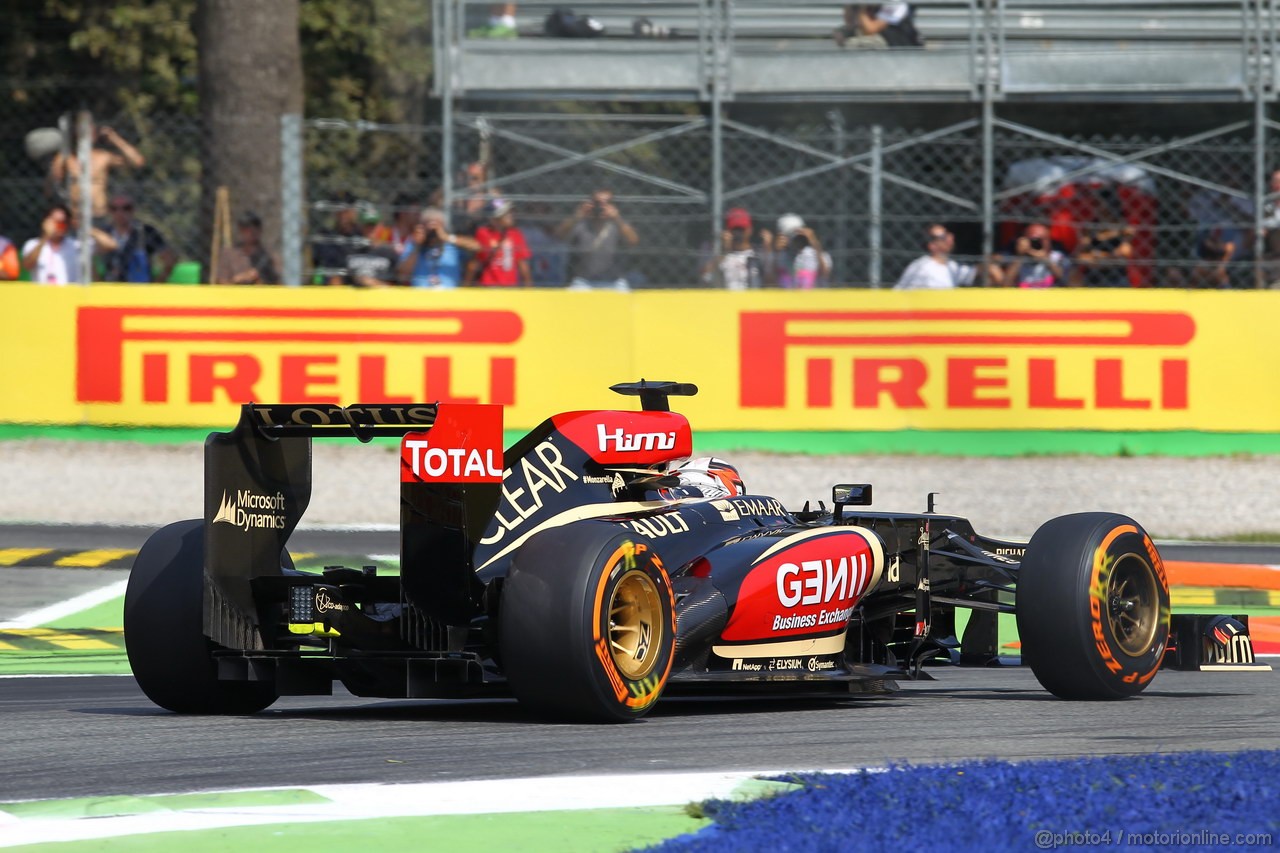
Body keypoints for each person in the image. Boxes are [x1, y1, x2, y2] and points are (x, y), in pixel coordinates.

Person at [48, 123, 146, 220]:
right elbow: (52, 184)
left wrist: (114, 138)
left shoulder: (103, 157)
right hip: (76, 216)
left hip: (99, 216)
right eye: (82, 132)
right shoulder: (66, 158)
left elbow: (137, 161)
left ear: (94, 135)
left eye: (89, 132)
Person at [557, 188, 640, 288]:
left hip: (614, 280)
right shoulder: (581, 225)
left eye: (607, 203)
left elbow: (633, 241)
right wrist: (576, 216)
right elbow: (558, 236)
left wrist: (617, 218)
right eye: (598, 203)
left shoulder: (618, 225)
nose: (602, 207)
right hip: (584, 280)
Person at [21, 203, 116, 285]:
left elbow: (110, 245)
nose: (60, 227)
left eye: (64, 223)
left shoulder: (76, 245)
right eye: (56, 223)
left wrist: (86, 228)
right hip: (43, 297)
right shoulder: (33, 244)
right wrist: (45, 237)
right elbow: (27, 265)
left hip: (70, 297)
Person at [895, 223, 1002, 289]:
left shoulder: (950, 266)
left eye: (947, 233)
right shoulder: (923, 267)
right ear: (932, 245)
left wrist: (990, 262)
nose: (949, 237)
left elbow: (972, 272)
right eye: (943, 236)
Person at [99, 193, 176, 283]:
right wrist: (97, 283)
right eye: (114, 209)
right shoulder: (103, 233)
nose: (120, 213)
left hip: (138, 287)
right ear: (109, 211)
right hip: (111, 287)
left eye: (126, 208)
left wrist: (156, 285)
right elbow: (87, 259)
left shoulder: (146, 232)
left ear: (133, 210)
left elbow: (169, 260)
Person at [396, 208, 480, 289]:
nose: (433, 230)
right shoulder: (414, 244)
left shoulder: (452, 245)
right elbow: (403, 273)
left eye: (437, 226)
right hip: (422, 295)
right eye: (429, 226)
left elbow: (477, 247)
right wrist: (417, 246)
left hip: (449, 295)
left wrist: (446, 237)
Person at [466, 198, 533, 286]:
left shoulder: (516, 234)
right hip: (489, 287)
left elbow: (523, 265)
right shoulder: (484, 233)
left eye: (510, 213)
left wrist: (529, 290)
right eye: (505, 214)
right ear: (494, 219)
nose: (510, 216)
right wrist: (465, 289)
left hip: (509, 289)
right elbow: (475, 264)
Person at [336, 202, 401, 288]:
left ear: (380, 226)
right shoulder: (349, 249)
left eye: (373, 225)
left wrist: (373, 283)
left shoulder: (389, 252)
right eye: (367, 225)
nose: (370, 229)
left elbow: (396, 286)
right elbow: (338, 279)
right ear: (360, 226)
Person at [702, 207, 767, 290]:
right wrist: (724, 251)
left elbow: (771, 281)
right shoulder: (723, 256)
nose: (738, 233)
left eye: (741, 229)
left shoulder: (758, 255)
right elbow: (705, 279)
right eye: (735, 229)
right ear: (728, 231)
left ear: (750, 230)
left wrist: (768, 252)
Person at [212, 211, 281, 285]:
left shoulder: (269, 256)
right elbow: (221, 283)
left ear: (260, 230)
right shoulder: (229, 254)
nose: (251, 232)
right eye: (246, 229)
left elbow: (279, 283)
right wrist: (240, 278)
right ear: (240, 230)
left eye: (255, 227)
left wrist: (260, 280)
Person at [772, 213, 831, 288]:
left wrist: (815, 244)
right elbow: (770, 282)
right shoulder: (779, 256)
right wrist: (777, 253)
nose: (795, 237)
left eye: (798, 233)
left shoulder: (814, 254)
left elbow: (825, 274)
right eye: (790, 234)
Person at [1002, 222, 1068, 288]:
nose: (1038, 243)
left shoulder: (1058, 258)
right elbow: (1005, 285)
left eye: (1043, 239)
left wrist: (1046, 260)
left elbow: (1067, 282)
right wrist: (1020, 256)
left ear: (1049, 240)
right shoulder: (1016, 260)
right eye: (1034, 240)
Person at [833, 4, 923, 49]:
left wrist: (862, 9)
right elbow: (849, 22)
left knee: (853, 44)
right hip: (876, 35)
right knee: (841, 32)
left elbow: (871, 29)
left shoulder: (896, 4)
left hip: (895, 42)